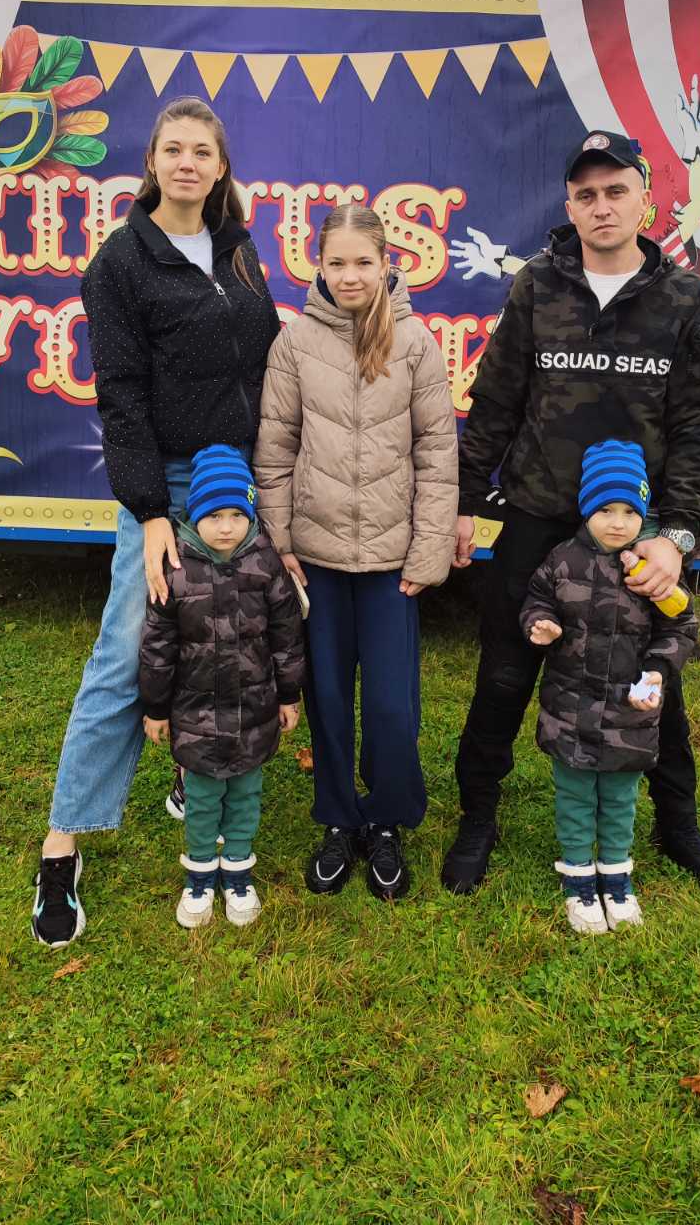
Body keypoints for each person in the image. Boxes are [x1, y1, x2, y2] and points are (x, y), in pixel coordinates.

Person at [441, 129, 700, 896]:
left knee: (653, 682)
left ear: (645, 198)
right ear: (570, 207)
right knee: (504, 673)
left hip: (636, 532)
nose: (601, 206)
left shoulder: (683, 298)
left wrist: (676, 537)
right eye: (586, 194)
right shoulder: (538, 286)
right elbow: (495, 403)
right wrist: (465, 503)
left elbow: (697, 426)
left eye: (615, 191)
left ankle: (678, 826)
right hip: (540, 518)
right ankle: (478, 816)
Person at [31, 98, 280, 949]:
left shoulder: (239, 249)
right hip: (170, 484)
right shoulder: (120, 264)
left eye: (201, 151)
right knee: (126, 649)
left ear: (220, 166)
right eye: (173, 149)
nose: (186, 163)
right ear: (152, 162)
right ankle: (62, 843)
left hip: (239, 478)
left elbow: (265, 358)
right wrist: (147, 512)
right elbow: (122, 396)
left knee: (234, 637)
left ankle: (195, 770)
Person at [254, 204, 458, 901]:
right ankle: (339, 819)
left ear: (385, 263)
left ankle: (387, 819)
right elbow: (275, 449)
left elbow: (437, 454)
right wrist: (281, 542)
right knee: (330, 700)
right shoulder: (295, 342)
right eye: (336, 263)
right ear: (318, 265)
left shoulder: (415, 343)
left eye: (362, 262)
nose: (350, 276)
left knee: (393, 708)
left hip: (392, 566)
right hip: (316, 561)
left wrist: (428, 551)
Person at [520, 439, 700, 935]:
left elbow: (681, 625)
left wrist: (659, 669)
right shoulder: (562, 560)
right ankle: (578, 877)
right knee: (575, 796)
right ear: (585, 508)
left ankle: (617, 876)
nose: (618, 523)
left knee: (621, 799)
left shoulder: (650, 571)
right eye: (605, 509)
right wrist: (540, 624)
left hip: (629, 715)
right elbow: (536, 600)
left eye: (630, 511)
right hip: (570, 710)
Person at [139, 445, 305, 928]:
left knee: (246, 795)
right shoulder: (175, 570)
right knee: (204, 798)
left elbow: (287, 637)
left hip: (255, 711)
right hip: (196, 717)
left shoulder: (266, 564)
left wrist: (289, 695)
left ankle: (237, 872)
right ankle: (198, 877)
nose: (227, 526)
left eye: (237, 515)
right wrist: (156, 708)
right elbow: (157, 646)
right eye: (214, 515)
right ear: (195, 514)